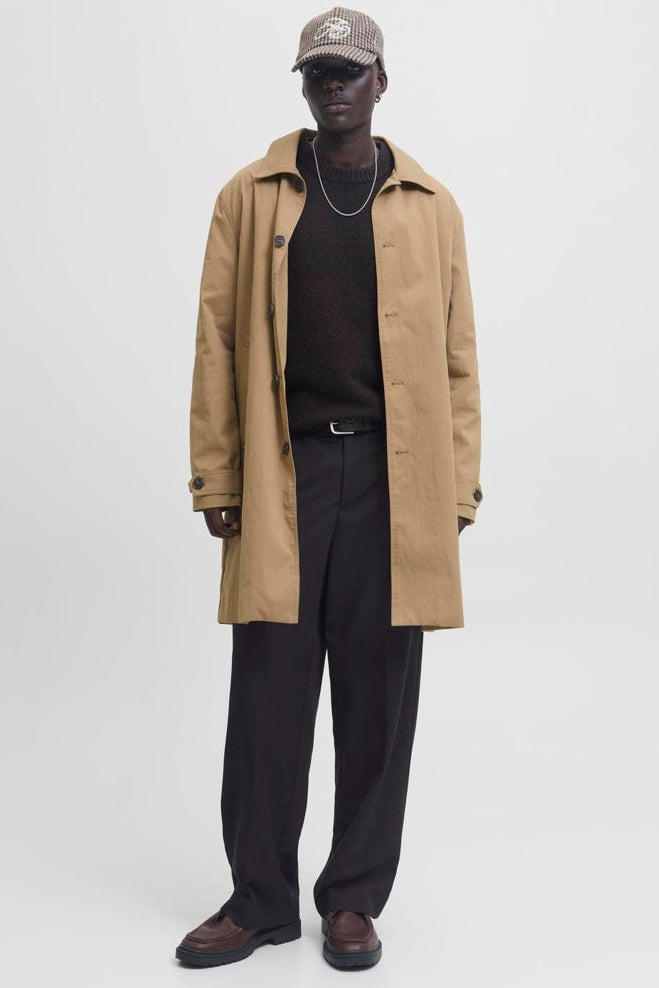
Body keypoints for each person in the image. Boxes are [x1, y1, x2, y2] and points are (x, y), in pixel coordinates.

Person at [175, 5, 484, 971]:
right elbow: (217, 342)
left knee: (376, 700)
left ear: (380, 82)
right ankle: (259, 899)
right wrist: (217, 473)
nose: (333, 87)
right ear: (303, 86)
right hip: (286, 474)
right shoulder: (251, 195)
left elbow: (458, 358)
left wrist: (457, 491)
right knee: (267, 696)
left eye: (348, 72)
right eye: (317, 73)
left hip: (397, 482)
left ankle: (352, 898)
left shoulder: (430, 205)